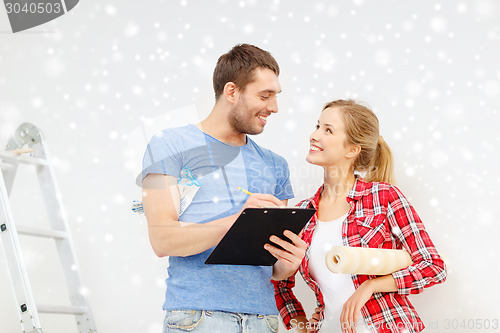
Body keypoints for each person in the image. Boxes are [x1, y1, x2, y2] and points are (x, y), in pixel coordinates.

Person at [141, 44, 307, 333]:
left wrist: (288, 264)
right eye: (264, 95)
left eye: (276, 96)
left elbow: (274, 268)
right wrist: (237, 222)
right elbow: (162, 239)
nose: (274, 107)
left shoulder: (275, 165)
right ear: (232, 92)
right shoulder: (170, 145)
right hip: (198, 318)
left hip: (263, 320)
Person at [274, 99, 447, 333]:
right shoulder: (303, 213)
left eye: (328, 130)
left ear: (352, 149)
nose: (314, 136)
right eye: (317, 126)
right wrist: (301, 326)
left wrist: (371, 286)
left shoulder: (384, 197)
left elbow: (433, 266)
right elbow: (279, 282)